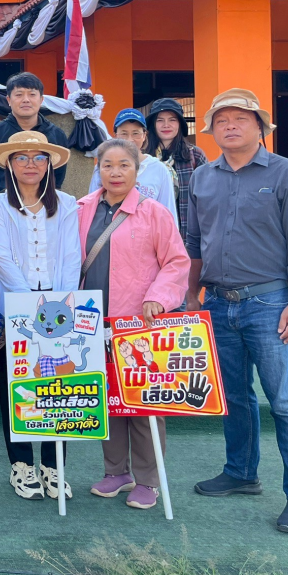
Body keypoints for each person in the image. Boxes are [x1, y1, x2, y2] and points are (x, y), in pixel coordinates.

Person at [185, 89, 288, 534]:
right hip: (218, 302)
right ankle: (241, 473)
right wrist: (191, 294)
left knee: (286, 401)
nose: (230, 126)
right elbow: (195, 242)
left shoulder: (286, 173)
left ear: (259, 127)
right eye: (222, 120)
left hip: (271, 302)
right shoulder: (202, 177)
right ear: (211, 130)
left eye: (240, 118)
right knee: (234, 396)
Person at [78, 138, 188, 511]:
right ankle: (116, 472)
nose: (115, 172)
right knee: (107, 397)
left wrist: (159, 296)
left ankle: (148, 480)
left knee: (143, 403)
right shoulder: (81, 209)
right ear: (97, 169)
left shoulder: (154, 212)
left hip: (139, 323)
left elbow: (176, 261)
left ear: (137, 170)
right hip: (92, 320)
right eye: (107, 165)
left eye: (124, 165)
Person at [0, 130, 80, 501]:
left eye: (39, 157)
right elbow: (2, 259)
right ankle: (22, 464)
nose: (30, 164)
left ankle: (54, 466)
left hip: (60, 307)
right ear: (9, 164)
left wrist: (61, 307)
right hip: (14, 307)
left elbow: (71, 257)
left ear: (50, 164)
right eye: (21, 157)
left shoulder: (67, 203)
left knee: (60, 387)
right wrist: (29, 309)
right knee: (18, 385)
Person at [0, 73, 70, 195]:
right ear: (9, 100)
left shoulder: (56, 135)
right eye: (19, 95)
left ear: (41, 100)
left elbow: (58, 176)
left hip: (45, 201)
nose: (26, 100)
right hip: (5, 201)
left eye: (32, 94)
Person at [87, 109, 177, 223]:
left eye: (136, 133)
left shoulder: (159, 169)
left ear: (144, 135)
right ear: (115, 135)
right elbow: (92, 206)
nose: (130, 139)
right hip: (109, 231)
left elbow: (168, 213)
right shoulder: (104, 166)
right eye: (124, 133)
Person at [146, 98, 208, 240]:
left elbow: (207, 198)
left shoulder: (195, 155)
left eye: (172, 120)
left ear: (180, 124)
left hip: (187, 235)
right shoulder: (142, 158)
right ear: (153, 125)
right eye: (160, 120)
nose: (166, 125)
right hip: (149, 234)